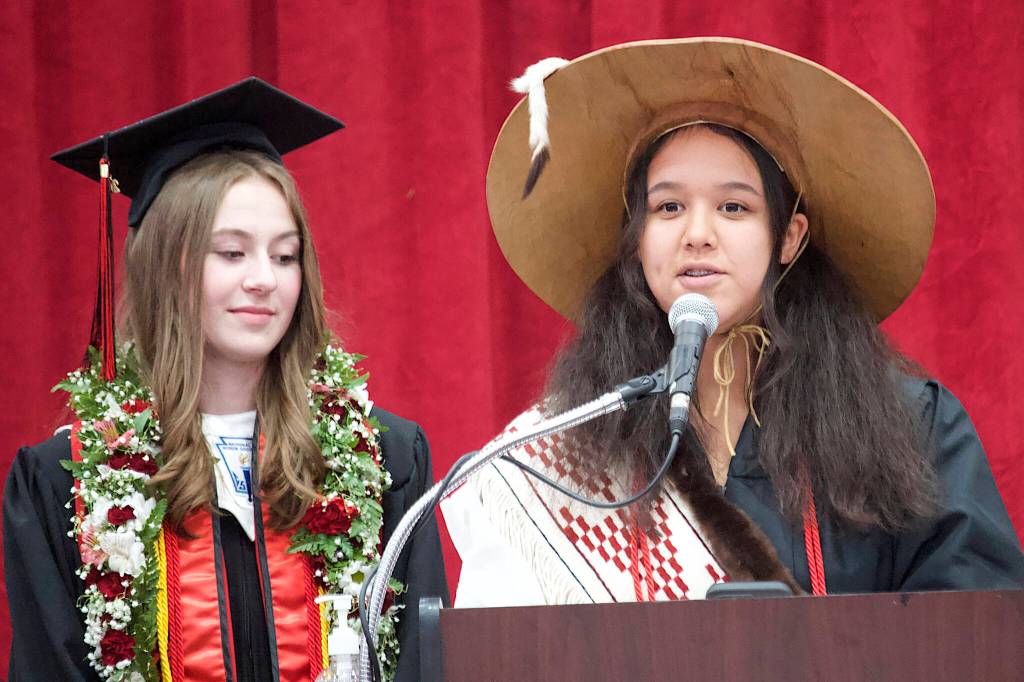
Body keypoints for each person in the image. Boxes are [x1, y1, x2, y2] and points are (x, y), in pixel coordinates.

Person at [442, 38, 1024, 606]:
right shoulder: (569, 447)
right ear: (636, 237)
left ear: (789, 236)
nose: (697, 234)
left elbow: (975, 636)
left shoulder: (912, 427)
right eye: (668, 207)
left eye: (733, 207)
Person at [3, 78, 447, 681]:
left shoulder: (385, 459)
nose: (265, 279)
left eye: (285, 255)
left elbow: (423, 666)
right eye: (232, 253)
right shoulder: (67, 485)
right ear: (167, 267)